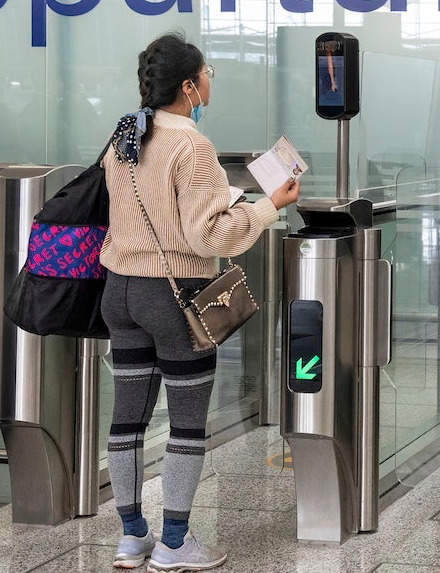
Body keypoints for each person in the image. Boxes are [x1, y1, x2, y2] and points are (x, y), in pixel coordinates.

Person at [101, 33, 299, 572]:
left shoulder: (124, 134)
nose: (212, 78)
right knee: (187, 421)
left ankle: (130, 537)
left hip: (119, 289)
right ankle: (174, 543)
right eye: (207, 71)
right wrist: (265, 208)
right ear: (190, 87)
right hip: (173, 295)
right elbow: (207, 238)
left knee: (128, 417)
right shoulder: (192, 146)